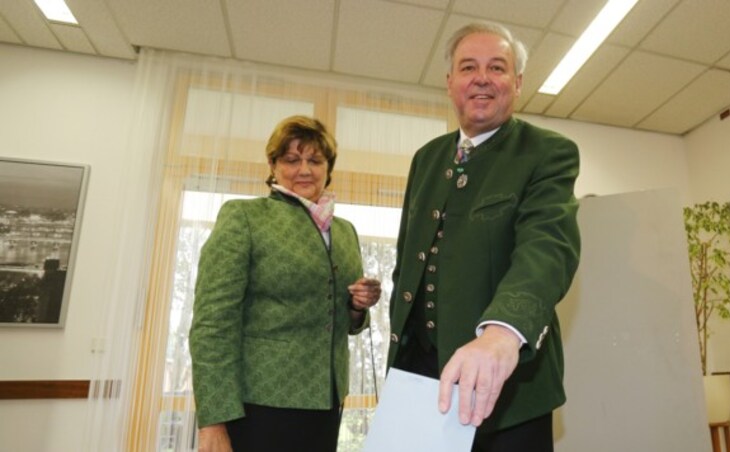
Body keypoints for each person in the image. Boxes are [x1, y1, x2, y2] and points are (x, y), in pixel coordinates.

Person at [387, 22, 580, 452]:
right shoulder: (426, 159)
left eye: (497, 67)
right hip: (419, 382)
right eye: (468, 67)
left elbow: (546, 249)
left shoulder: (547, 152)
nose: (482, 77)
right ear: (450, 81)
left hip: (508, 393)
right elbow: (409, 257)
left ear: (517, 82)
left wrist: (501, 334)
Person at [189, 115, 382, 452]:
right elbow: (212, 324)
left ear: (328, 167)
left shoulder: (345, 231)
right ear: (273, 166)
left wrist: (356, 307)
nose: (304, 170)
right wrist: (213, 419)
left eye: (315, 160)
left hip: (327, 401)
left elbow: (341, 319)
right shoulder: (244, 217)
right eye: (292, 160)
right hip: (259, 402)